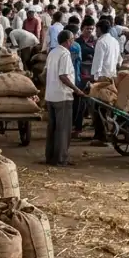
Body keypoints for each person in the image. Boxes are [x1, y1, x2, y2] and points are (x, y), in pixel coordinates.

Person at [43, 29, 85, 166]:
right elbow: (63, 76)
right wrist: (77, 90)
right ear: (68, 41)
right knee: (63, 129)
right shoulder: (65, 54)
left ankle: (50, 156)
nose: (73, 41)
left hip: (51, 95)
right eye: (72, 39)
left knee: (53, 128)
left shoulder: (52, 52)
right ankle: (61, 158)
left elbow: (45, 73)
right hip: (63, 96)